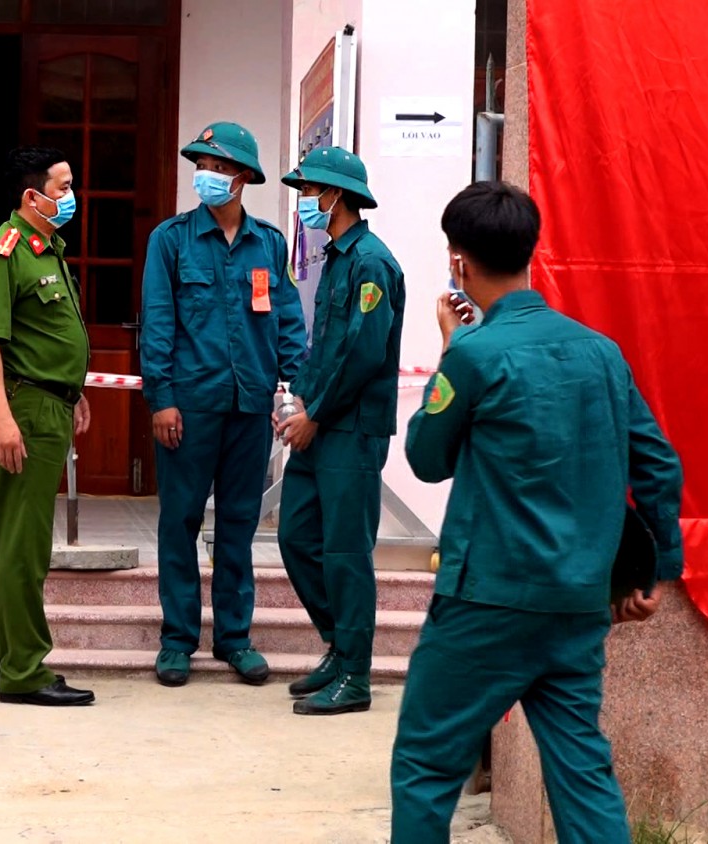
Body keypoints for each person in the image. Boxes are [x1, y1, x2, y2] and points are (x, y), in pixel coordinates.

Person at [389, 182, 683, 841]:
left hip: (485, 604)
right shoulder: (600, 353)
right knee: (582, 773)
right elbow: (659, 464)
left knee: (425, 765)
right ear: (531, 252)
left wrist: (447, 350)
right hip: (576, 606)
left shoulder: (472, 354)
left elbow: (427, 459)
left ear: (458, 263)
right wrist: (653, 571)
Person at [139, 122, 307, 688]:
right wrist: (161, 399)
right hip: (189, 406)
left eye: (216, 168)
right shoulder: (170, 239)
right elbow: (158, 324)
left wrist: (296, 387)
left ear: (242, 179)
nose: (204, 176)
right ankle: (178, 640)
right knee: (180, 521)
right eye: (201, 166)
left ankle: (235, 638)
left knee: (238, 524)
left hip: (250, 406)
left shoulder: (269, 242)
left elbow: (287, 320)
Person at [275, 147, 405, 715]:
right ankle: (339, 645)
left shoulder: (371, 262)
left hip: (349, 429)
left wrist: (316, 414)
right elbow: (323, 344)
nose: (305, 203)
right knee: (297, 537)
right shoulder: (337, 258)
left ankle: (355, 674)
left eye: (310, 193)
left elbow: (362, 352)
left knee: (347, 552)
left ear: (335, 195)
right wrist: (298, 398)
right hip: (321, 422)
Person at [0, 146, 95, 707]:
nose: (71, 197)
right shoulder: (5, 253)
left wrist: (76, 391)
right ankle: (25, 669)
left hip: (51, 403)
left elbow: (50, 336)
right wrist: (2, 417)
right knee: (23, 545)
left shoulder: (48, 251)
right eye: (63, 187)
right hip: (24, 409)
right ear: (33, 196)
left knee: (10, 540)